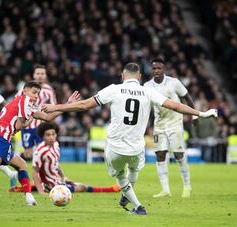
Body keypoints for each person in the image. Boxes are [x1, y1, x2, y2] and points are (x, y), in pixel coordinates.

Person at [42, 63, 217, 215]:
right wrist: (200, 113)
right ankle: (127, 194)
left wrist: (56, 107)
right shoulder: (148, 91)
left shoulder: (114, 89)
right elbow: (176, 105)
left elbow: (83, 105)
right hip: (137, 148)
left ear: (122, 75)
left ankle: (138, 205)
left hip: (115, 147)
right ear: (140, 76)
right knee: (133, 170)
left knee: (120, 175)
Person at [10, 122, 120, 194]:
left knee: (74, 184)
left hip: (56, 181)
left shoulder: (56, 145)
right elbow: (35, 172)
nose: (52, 137)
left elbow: (56, 164)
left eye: (53, 134)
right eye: (48, 135)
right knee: (82, 187)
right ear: (42, 136)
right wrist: (40, 192)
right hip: (53, 185)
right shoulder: (40, 151)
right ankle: (111, 189)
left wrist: (64, 177)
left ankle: (21, 188)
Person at [144, 58, 196, 198]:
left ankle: (187, 186)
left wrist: (194, 115)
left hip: (175, 123)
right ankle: (165, 190)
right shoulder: (147, 86)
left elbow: (187, 97)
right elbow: (145, 107)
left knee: (178, 154)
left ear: (164, 69)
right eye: (154, 68)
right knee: (160, 155)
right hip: (159, 125)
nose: (156, 71)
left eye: (159, 68)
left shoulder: (174, 83)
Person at [16, 64, 57, 160]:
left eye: (42, 73)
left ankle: (43, 172)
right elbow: (16, 100)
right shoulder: (26, 88)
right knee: (28, 154)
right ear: (34, 75)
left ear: (45, 75)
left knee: (43, 152)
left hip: (41, 126)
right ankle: (15, 158)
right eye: (38, 73)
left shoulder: (49, 90)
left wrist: (51, 122)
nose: (40, 76)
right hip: (27, 125)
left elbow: (54, 106)